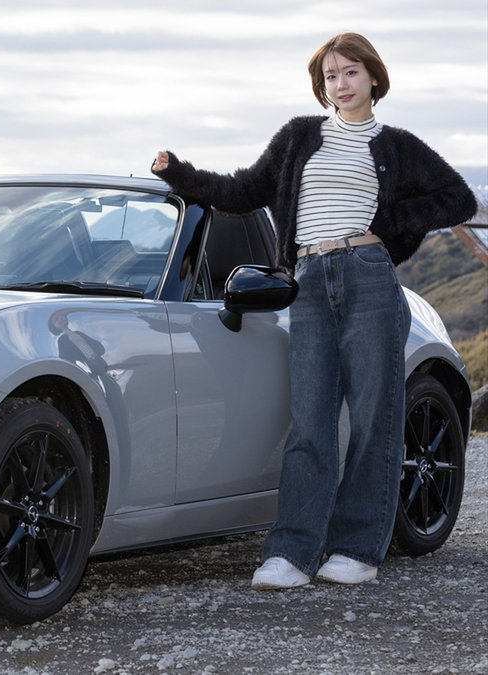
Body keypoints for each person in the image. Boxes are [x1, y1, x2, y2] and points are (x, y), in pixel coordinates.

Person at [150, 33, 476, 590]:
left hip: (369, 276)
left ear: (373, 78)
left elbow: (458, 198)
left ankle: (357, 548)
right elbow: (243, 190)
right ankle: (292, 552)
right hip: (307, 280)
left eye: (350, 72)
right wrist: (179, 174)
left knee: (374, 418)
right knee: (310, 421)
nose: (340, 84)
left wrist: (390, 226)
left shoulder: (397, 146)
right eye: (330, 76)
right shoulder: (299, 136)